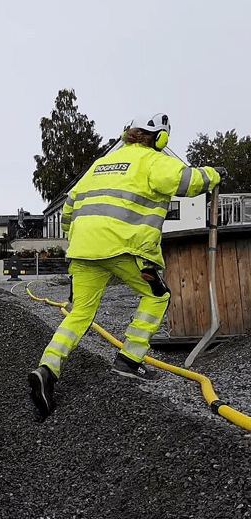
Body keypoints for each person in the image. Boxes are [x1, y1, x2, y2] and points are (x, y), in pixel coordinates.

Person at [28, 113, 225, 417]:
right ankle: (129, 361)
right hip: (126, 249)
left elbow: (69, 206)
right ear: (159, 138)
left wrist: (77, 235)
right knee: (157, 296)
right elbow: (186, 181)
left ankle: (47, 369)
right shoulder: (153, 161)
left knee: (79, 312)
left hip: (83, 251)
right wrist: (213, 174)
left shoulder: (99, 166)